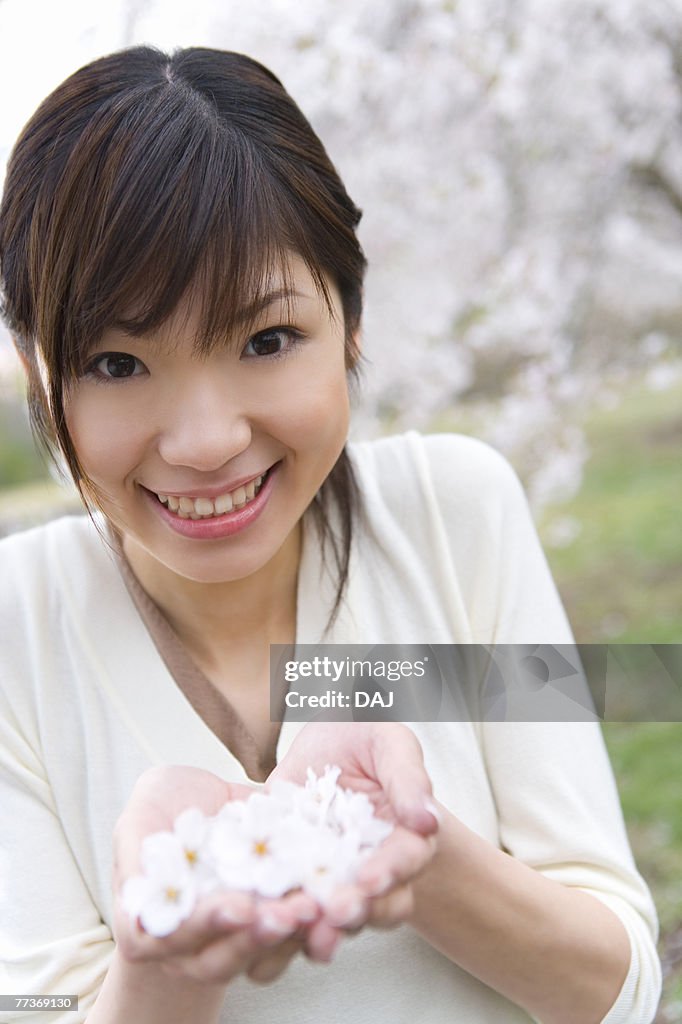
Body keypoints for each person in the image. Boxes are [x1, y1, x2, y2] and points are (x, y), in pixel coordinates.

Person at [0, 45, 661, 1024]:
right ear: (36, 368)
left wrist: (418, 855)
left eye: (266, 341)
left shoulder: (453, 517)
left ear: (350, 320)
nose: (207, 441)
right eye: (115, 361)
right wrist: (167, 956)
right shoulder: (18, 630)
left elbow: (618, 982)